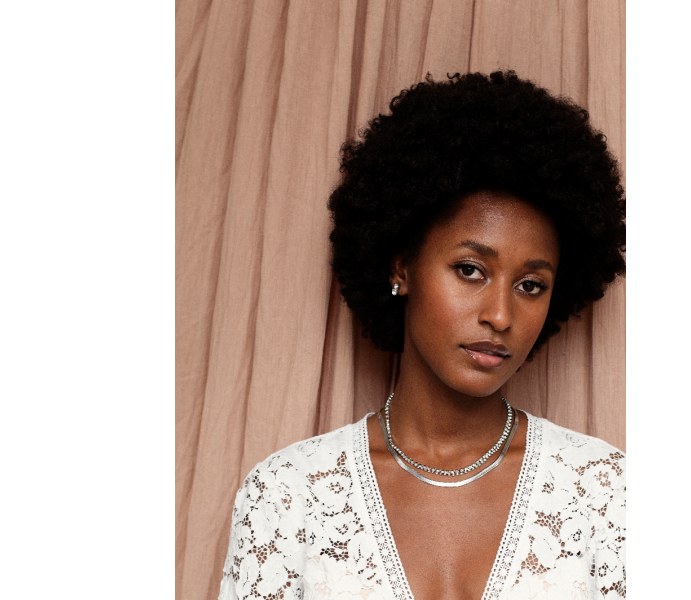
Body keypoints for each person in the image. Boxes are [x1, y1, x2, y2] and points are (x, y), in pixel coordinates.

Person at [219, 71, 626, 600]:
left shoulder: (602, 493)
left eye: (530, 285)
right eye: (470, 270)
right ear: (402, 267)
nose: (501, 315)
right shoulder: (288, 494)